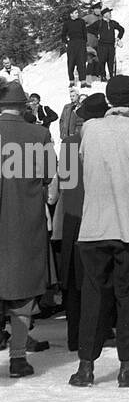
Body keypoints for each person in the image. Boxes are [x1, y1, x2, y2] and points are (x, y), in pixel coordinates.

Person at [71, 75, 129, 389]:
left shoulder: (89, 129)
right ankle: (128, 367)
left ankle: (86, 367)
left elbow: (85, 163)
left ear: (108, 99)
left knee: (93, 297)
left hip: (94, 224)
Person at [0, 82, 54, 379]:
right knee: (21, 293)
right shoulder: (39, 134)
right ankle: (18, 358)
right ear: (24, 107)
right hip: (23, 221)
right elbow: (51, 175)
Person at [62, 7, 89, 84]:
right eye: (75, 13)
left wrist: (84, 43)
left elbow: (85, 33)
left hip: (81, 43)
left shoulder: (81, 21)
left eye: (77, 12)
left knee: (82, 62)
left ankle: (83, 81)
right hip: (72, 44)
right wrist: (67, 43)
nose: (77, 14)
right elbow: (63, 35)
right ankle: (71, 81)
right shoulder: (67, 23)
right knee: (71, 63)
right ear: (71, 14)